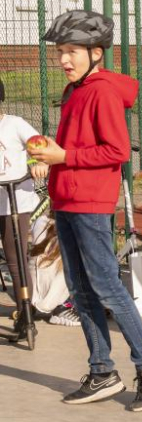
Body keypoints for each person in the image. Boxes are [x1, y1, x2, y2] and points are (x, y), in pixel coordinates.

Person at [31, 10, 142, 411]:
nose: (64, 59)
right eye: (61, 51)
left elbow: (117, 150)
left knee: (107, 286)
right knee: (79, 290)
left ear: (97, 52)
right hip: (67, 199)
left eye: (72, 51)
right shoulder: (75, 90)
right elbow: (73, 148)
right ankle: (102, 372)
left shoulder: (103, 91)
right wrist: (50, 158)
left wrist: (65, 155)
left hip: (90, 202)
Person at [0, 78, 49, 336]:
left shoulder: (14, 124)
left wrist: (37, 161)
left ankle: (25, 311)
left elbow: (39, 142)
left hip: (15, 200)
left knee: (15, 257)